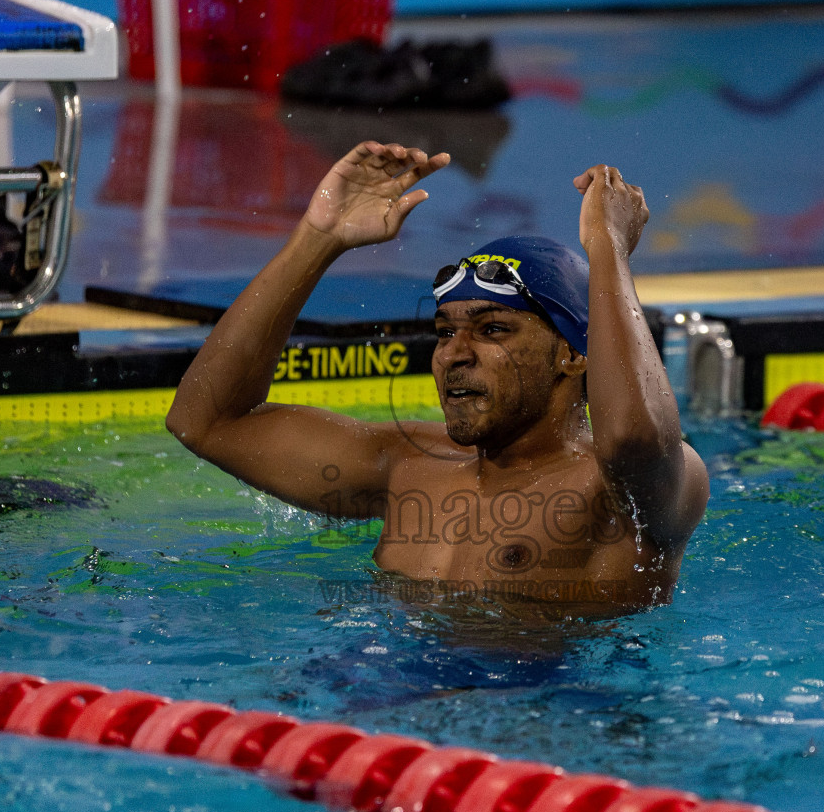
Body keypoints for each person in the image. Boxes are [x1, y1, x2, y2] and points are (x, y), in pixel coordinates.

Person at [166, 141, 708, 612]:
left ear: (572, 355)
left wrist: (608, 250)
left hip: (548, 716)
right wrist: (318, 237)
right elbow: (207, 421)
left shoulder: (624, 494)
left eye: (493, 330)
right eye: (444, 332)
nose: (454, 354)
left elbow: (633, 438)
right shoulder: (406, 466)